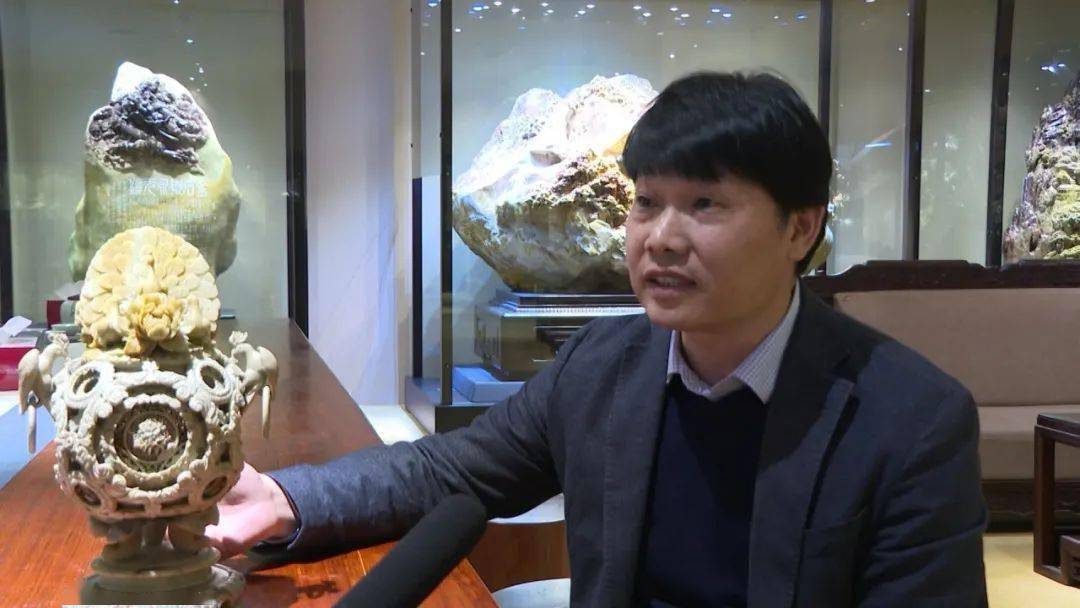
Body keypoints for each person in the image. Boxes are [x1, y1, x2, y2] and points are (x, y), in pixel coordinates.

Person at [205, 71, 988, 607]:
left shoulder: (911, 420)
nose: (660, 238)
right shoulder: (604, 365)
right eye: (646, 203)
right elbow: (451, 469)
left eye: (705, 205)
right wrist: (284, 497)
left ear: (801, 227)